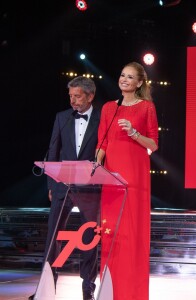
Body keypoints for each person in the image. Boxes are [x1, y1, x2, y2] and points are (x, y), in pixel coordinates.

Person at [29, 76, 101, 300]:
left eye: (77, 96)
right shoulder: (62, 118)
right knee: (53, 237)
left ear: (90, 96)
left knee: (90, 237)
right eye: (71, 96)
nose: (73, 101)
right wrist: (51, 184)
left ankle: (87, 288)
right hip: (63, 187)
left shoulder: (102, 118)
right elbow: (53, 152)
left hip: (90, 188)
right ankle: (46, 287)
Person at [96, 62, 158, 300]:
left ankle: (132, 292)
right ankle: (110, 290)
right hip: (111, 176)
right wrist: (97, 163)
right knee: (112, 232)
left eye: (130, 77)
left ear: (139, 83)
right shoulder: (109, 108)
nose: (124, 79)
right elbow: (103, 141)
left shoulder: (146, 107)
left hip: (134, 175)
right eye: (122, 75)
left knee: (132, 232)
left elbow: (153, 144)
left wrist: (133, 132)